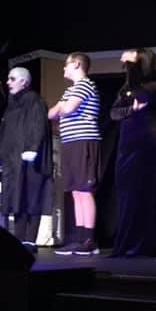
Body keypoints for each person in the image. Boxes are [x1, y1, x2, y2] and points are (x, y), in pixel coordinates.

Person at [108, 49, 156, 257]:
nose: (127, 65)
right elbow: (114, 112)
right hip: (127, 145)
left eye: (132, 62)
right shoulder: (127, 88)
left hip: (147, 143)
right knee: (126, 193)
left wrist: (131, 68)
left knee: (143, 194)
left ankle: (144, 245)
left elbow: (142, 95)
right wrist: (131, 109)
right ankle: (127, 243)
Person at [0, 67, 53, 252]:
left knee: (31, 197)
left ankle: (30, 240)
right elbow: (5, 132)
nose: (8, 82)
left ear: (24, 82)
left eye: (12, 79)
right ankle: (19, 239)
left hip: (30, 160)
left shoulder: (35, 101)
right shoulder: (12, 104)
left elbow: (38, 125)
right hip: (13, 160)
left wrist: (33, 148)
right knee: (17, 198)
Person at [48, 52, 101, 255]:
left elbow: (67, 109)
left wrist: (62, 107)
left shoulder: (85, 85)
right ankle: (79, 238)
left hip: (83, 141)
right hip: (70, 142)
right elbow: (51, 113)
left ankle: (89, 239)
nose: (64, 68)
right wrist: (61, 107)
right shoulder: (70, 90)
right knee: (76, 191)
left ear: (77, 64)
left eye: (66, 64)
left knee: (84, 190)